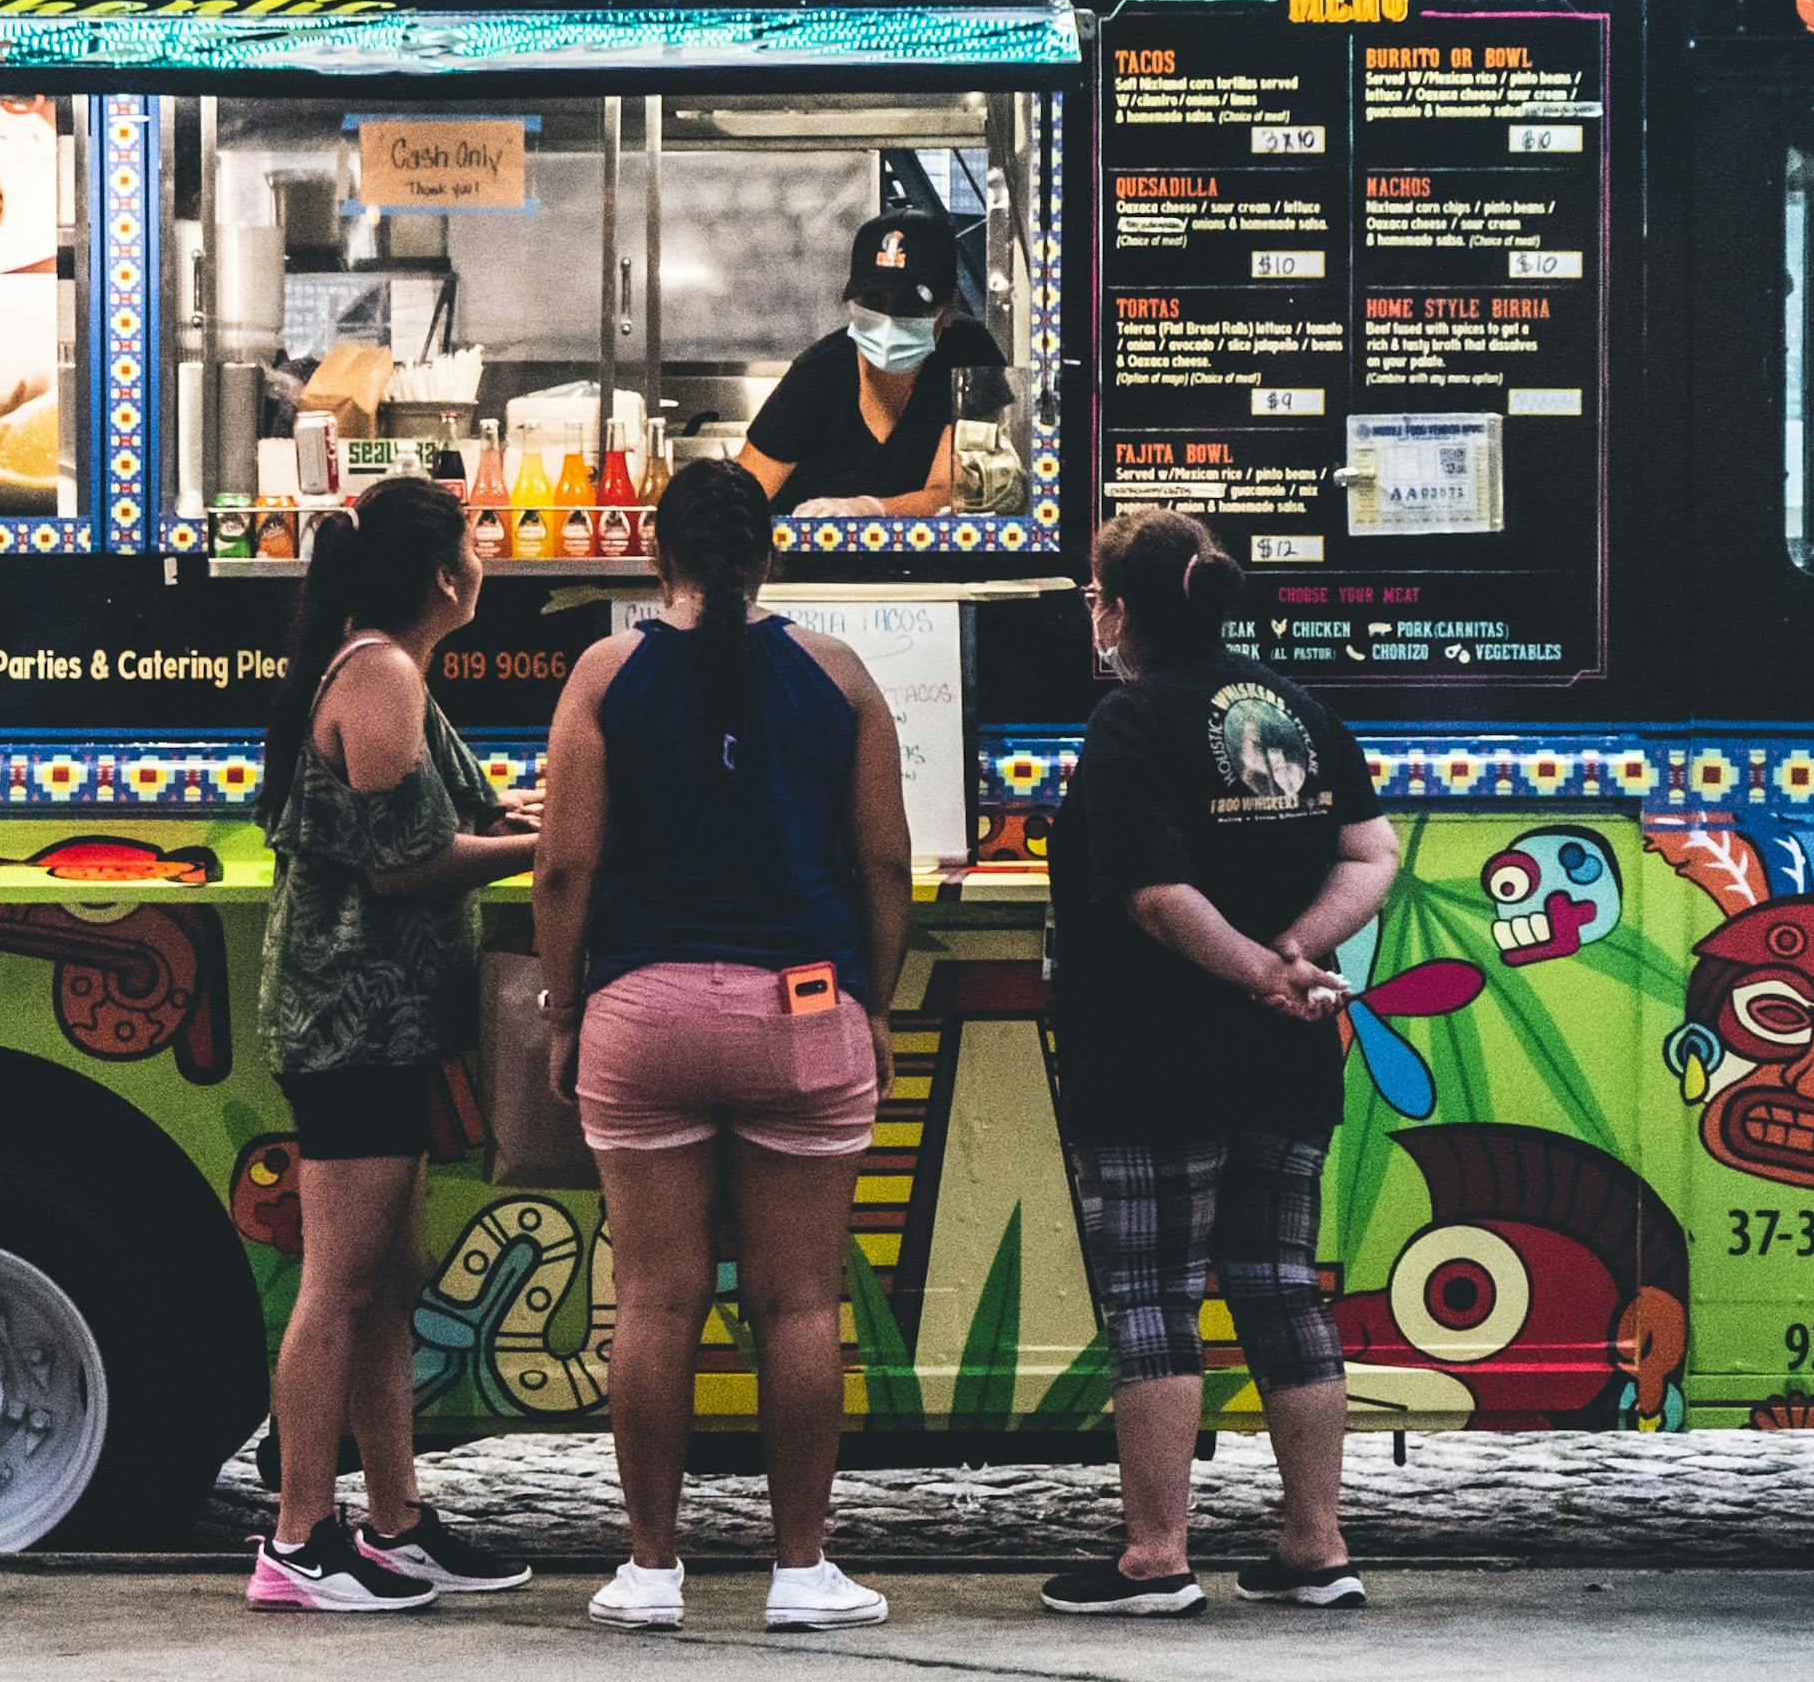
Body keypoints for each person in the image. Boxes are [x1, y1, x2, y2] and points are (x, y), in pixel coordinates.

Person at [529, 459, 909, 1634]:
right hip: (803, 1011)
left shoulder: (605, 672)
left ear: (660, 560)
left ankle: (649, 1568)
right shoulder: (839, 675)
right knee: (799, 1305)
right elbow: (887, 863)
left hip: (642, 1014)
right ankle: (801, 1569)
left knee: (653, 1299)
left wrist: (561, 1006)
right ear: (770, 556)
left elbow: (563, 864)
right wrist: (875, 1003)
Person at [1040, 508, 1402, 1617]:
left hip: (1157, 1054)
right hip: (1286, 1053)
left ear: (1117, 607)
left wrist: (1253, 963)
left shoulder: (1131, 722)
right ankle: (1315, 1542)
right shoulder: (1295, 707)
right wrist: (1296, 957)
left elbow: (1156, 896)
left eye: (1098, 598)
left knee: (1153, 1293)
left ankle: (1154, 1553)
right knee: (1281, 1285)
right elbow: (1370, 848)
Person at [243, 476, 543, 1612]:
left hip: (385, 1019)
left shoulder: (383, 664)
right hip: (352, 1020)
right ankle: (298, 1536)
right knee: (342, 1279)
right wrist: (540, 842)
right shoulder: (382, 671)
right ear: (439, 572)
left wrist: (503, 821)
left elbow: (408, 827)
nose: (487, 558)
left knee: (388, 1279)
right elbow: (400, 864)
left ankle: (395, 1517)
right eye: (476, 540)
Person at [739, 210, 1012, 517]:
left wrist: (868, 508)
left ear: (948, 309)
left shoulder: (969, 355)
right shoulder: (817, 374)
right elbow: (739, 497)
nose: (888, 320)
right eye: (873, 302)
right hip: (813, 557)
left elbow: (952, 492)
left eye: (909, 307)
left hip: (927, 555)